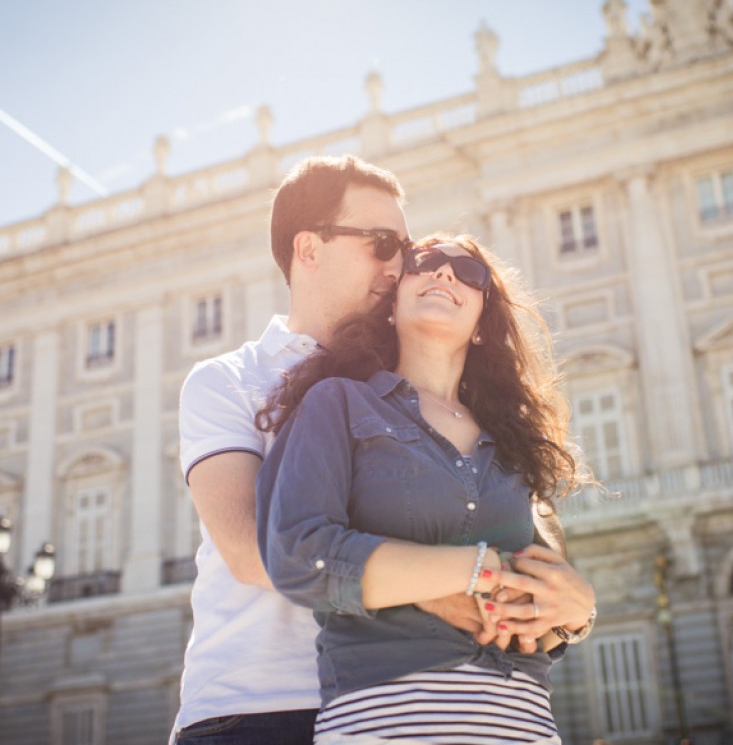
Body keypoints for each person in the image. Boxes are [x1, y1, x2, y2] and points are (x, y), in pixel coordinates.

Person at [256, 234, 597, 744]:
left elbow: (538, 611)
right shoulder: (339, 404)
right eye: (426, 262)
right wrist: (472, 571)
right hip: (386, 721)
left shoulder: (513, 443)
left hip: (522, 724)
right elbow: (299, 555)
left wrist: (578, 611)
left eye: (468, 272)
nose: (444, 274)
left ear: (484, 323)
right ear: (392, 302)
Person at [171, 155, 413, 744]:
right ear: (308, 249)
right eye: (382, 244)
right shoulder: (227, 381)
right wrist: (458, 579)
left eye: (409, 247)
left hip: (392, 708)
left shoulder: (413, 381)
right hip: (256, 708)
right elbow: (256, 554)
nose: (400, 266)